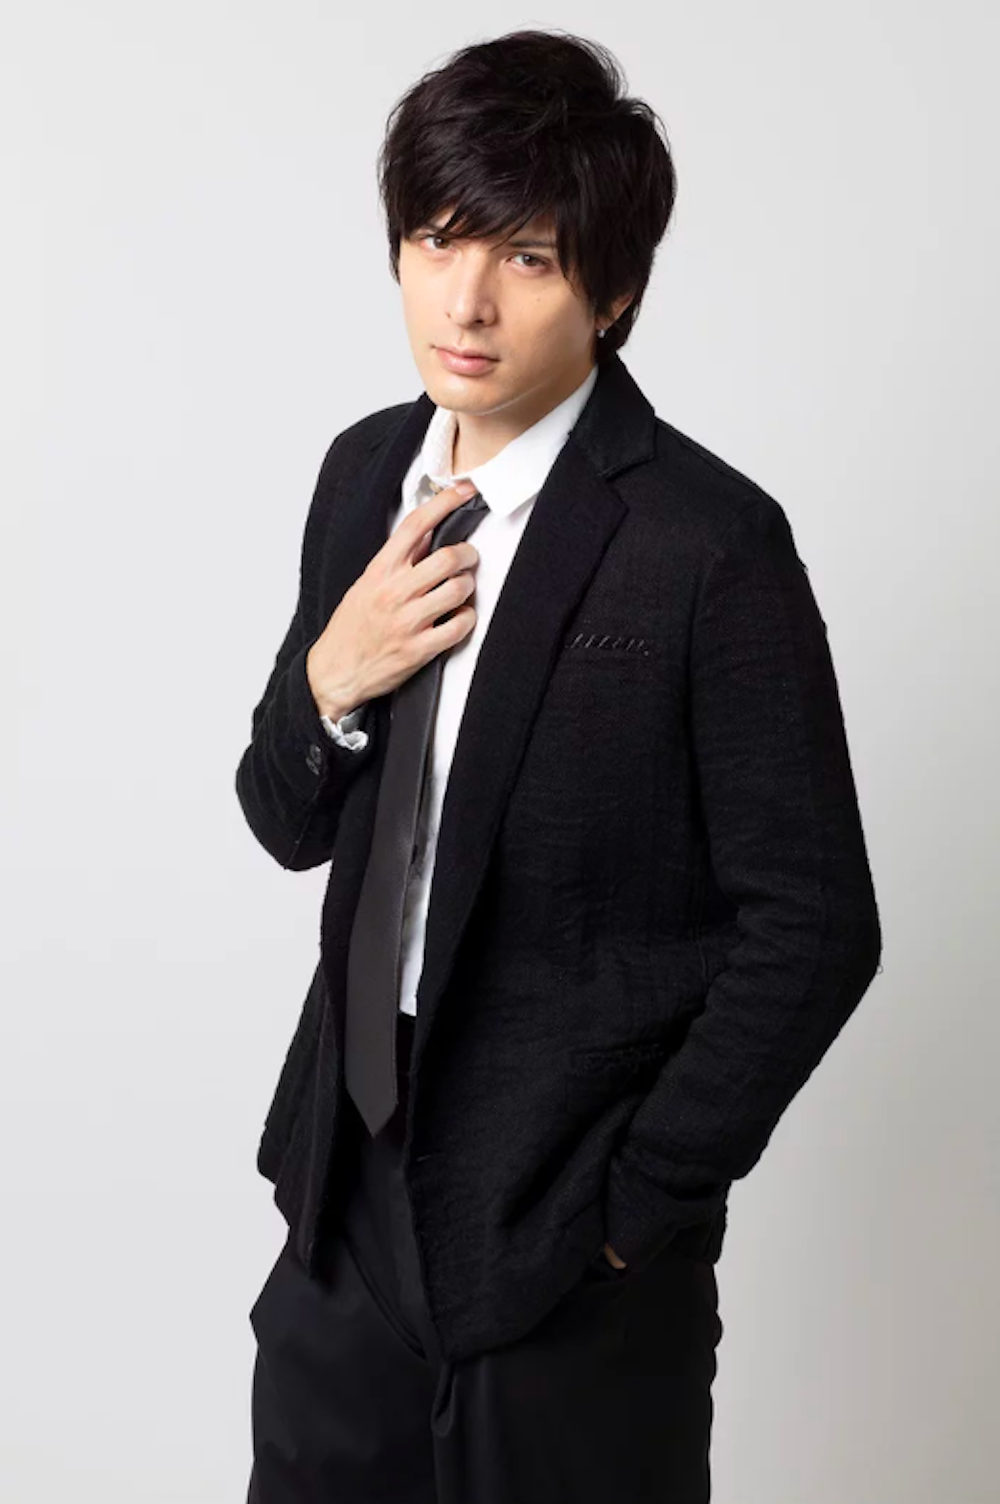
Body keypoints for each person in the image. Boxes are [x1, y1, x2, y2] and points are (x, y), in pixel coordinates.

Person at [236, 28, 882, 1504]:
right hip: (345, 1194)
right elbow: (283, 819)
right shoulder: (364, 474)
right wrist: (334, 678)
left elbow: (815, 923)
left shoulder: (706, 544)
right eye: (436, 239)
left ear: (615, 290)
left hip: (567, 1235)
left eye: (526, 256)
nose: (464, 300)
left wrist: (640, 1203)